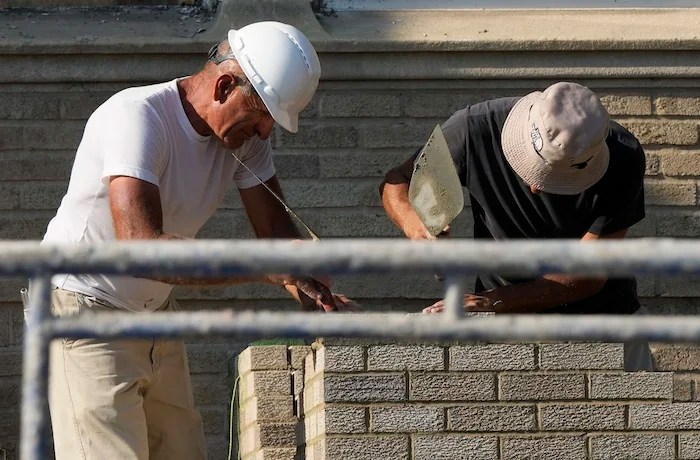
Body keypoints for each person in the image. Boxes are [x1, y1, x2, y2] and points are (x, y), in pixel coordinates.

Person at [39, 21, 356, 460]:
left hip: (154, 314)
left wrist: (316, 295)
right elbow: (139, 249)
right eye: (262, 116)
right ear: (224, 85)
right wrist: (264, 266)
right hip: (85, 309)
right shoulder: (138, 116)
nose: (265, 133)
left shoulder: (244, 141)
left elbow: (277, 238)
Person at [380, 81, 652, 369]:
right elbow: (398, 180)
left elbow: (587, 275)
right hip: (504, 327)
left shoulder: (623, 156)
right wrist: (417, 224)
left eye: (557, 180)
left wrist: (494, 301)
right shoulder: (474, 129)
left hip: (604, 327)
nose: (536, 187)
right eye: (534, 168)